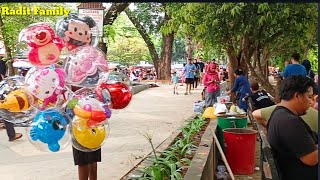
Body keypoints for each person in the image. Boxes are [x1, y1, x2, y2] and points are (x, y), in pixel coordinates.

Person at [266, 75, 318, 180]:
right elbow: (312, 158)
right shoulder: (289, 122)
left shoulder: (280, 114)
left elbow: (313, 137)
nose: (311, 103)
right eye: (309, 97)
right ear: (297, 96)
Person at [70, 86, 101, 180]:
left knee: (89, 162)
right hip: (80, 131)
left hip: (91, 130)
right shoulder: (73, 98)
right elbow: (68, 109)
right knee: (84, 162)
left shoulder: (92, 93)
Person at [0, 58, 23, 141]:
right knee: (6, 111)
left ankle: (11, 134)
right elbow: (2, 77)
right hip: (1, 91)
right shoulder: (1, 62)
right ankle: (12, 135)